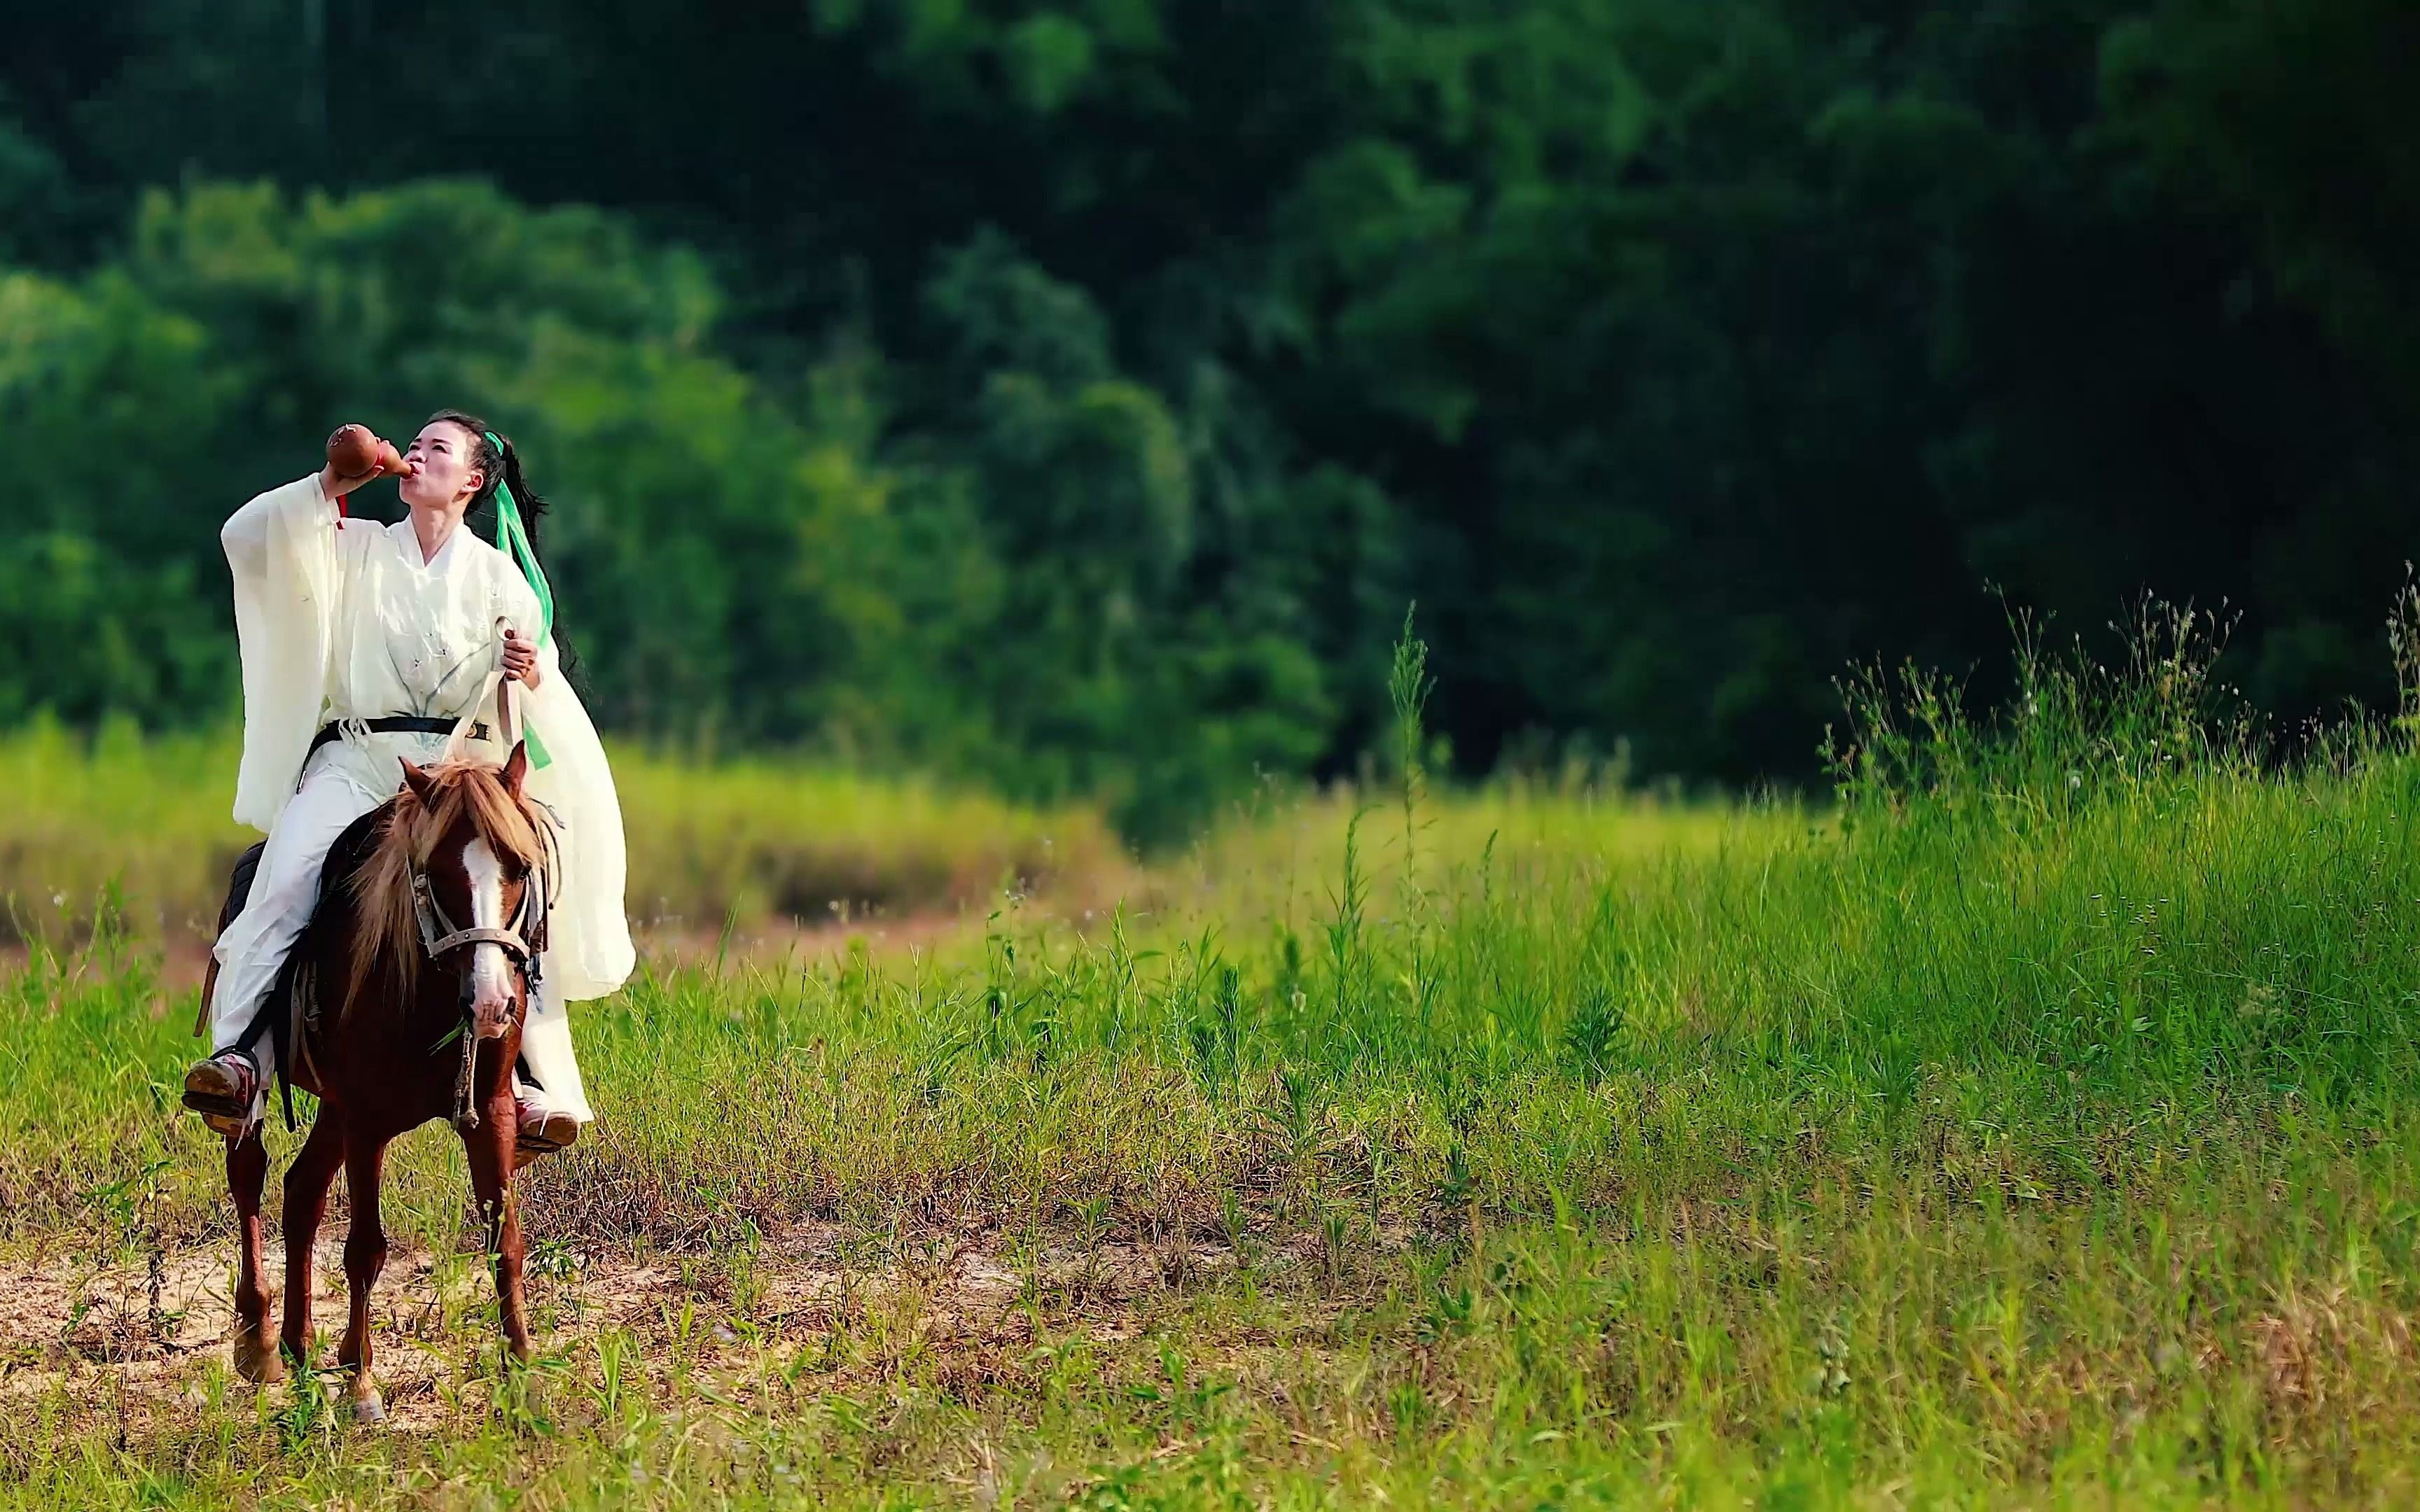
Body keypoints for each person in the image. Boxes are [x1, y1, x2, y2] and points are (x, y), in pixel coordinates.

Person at [181, 413, 634, 1150]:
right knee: (286, 879)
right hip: (356, 761)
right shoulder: (350, 545)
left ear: (473, 481)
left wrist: (528, 674)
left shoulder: (500, 577)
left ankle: (533, 1083)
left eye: (438, 449)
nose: (416, 454)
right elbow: (245, 539)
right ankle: (242, 1059)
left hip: (457, 772)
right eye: (414, 444)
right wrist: (329, 484)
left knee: (512, 899)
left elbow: (528, 705)